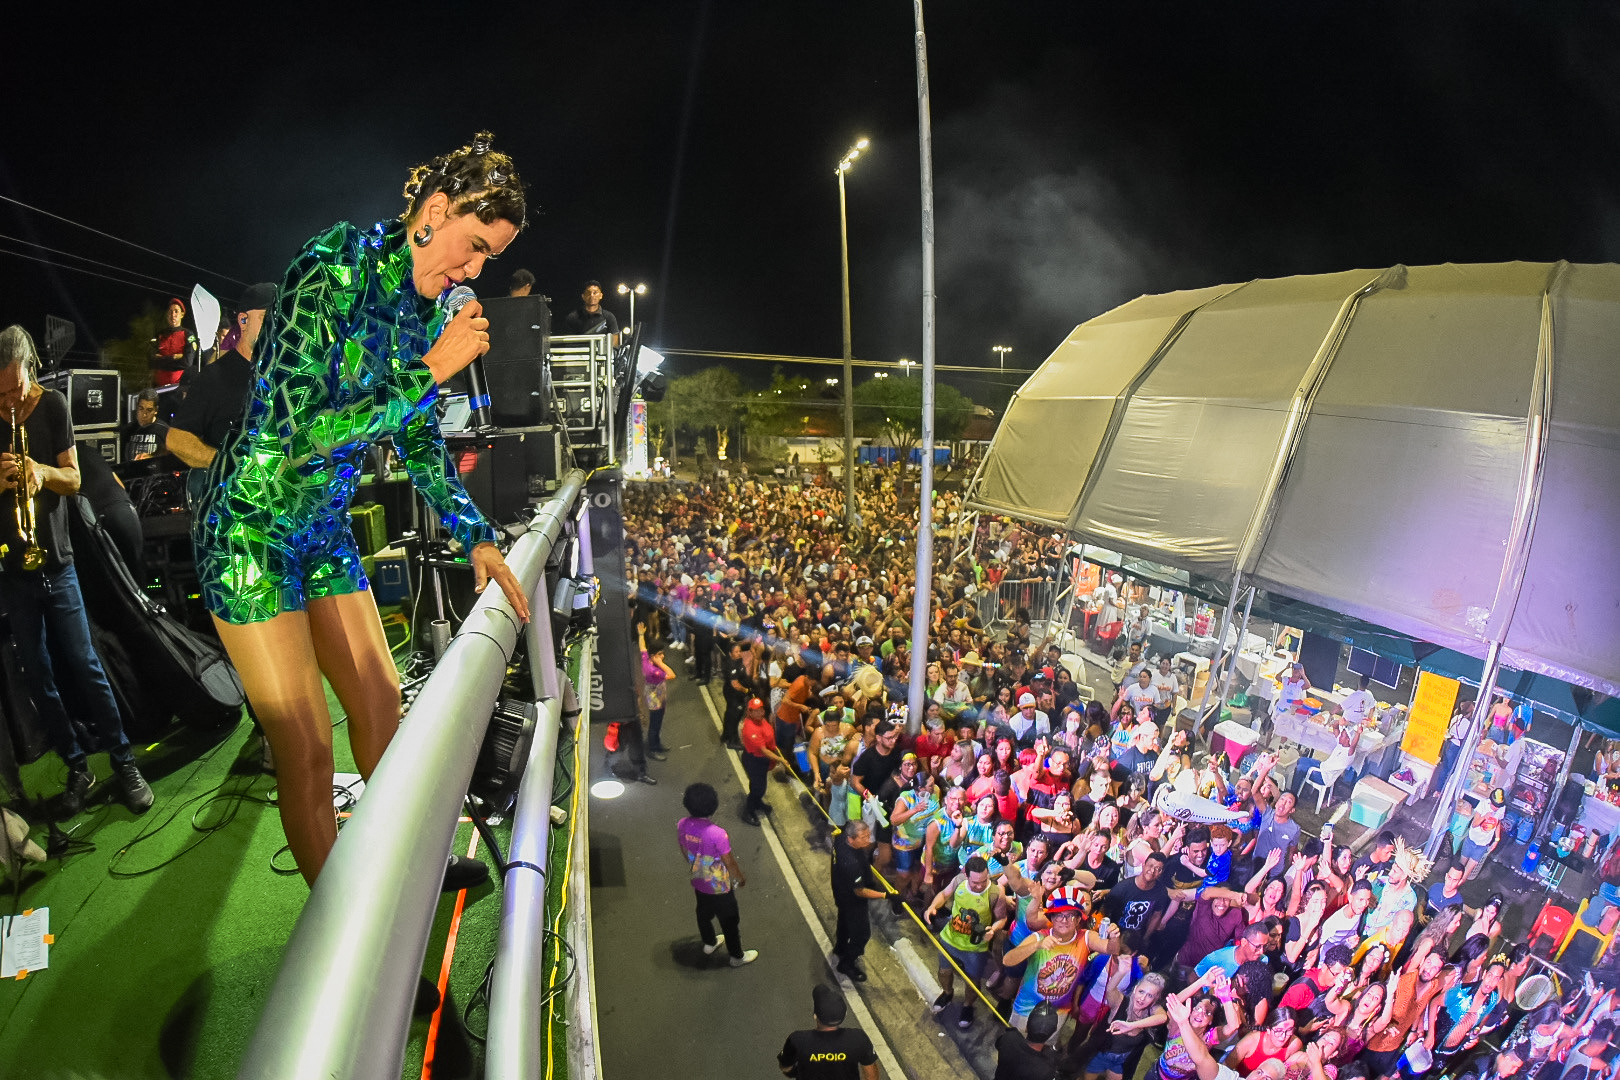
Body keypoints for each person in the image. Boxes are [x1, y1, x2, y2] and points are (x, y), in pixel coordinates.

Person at [192, 132, 529, 890]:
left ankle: (407, 874)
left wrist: (476, 535)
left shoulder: (418, 308)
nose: (472, 272)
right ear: (433, 212)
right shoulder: (329, 268)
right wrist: (434, 368)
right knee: (307, 741)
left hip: (321, 528)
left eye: (487, 262)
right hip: (252, 526)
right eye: (472, 247)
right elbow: (304, 433)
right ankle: (340, 935)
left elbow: (414, 436)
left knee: (382, 706)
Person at [0, 327, 153, 816]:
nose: (8, 398)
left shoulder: (52, 408)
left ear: (29, 368)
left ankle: (124, 761)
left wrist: (40, 472)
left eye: (14, 386)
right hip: (13, 566)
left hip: (57, 561)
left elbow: (74, 478)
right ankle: (76, 765)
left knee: (86, 665)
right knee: (39, 676)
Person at [168, 281, 276, 502]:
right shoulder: (215, 376)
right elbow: (176, 439)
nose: (275, 326)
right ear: (243, 321)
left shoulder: (282, 375)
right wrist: (226, 464)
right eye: (266, 318)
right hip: (230, 508)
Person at [676, 782, 757, 967]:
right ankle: (737, 956)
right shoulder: (717, 834)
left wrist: (693, 864)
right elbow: (729, 862)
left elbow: (682, 846)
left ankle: (709, 943)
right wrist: (740, 877)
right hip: (719, 886)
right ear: (713, 806)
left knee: (703, 912)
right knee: (729, 921)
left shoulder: (682, 824)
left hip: (698, 879)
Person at [926, 854, 1010, 1030]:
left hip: (975, 948)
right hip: (950, 938)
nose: (979, 886)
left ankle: (967, 1006)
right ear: (966, 874)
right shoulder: (958, 881)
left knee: (972, 981)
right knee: (944, 971)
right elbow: (943, 894)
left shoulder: (996, 892)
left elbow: (1001, 918)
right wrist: (933, 907)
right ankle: (948, 994)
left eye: (983, 881)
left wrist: (993, 930)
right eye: (975, 883)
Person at [778, 984, 879, 1080]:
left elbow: (786, 1068)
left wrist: (798, 1073)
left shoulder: (797, 1040)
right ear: (844, 1015)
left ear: (815, 1016)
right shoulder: (858, 1038)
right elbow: (871, 1076)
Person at [831, 821, 888, 982]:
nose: (868, 840)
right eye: (863, 837)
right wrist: (885, 896)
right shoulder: (851, 863)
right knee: (861, 934)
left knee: (843, 922)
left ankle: (840, 947)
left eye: (868, 835)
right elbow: (860, 891)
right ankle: (846, 963)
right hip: (852, 900)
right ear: (851, 839)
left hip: (840, 890)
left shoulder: (841, 838)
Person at [995, 1002, 1062, 1080]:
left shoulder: (1009, 1037)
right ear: (1051, 1034)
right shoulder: (1046, 1069)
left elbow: (998, 1044)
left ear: (1026, 1027)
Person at [741, 698, 781, 826]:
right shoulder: (750, 729)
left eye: (761, 710)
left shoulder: (761, 720)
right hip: (754, 760)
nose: (760, 713)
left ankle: (757, 802)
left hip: (762, 759)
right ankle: (748, 811)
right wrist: (780, 759)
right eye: (756, 711)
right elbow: (763, 750)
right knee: (758, 788)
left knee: (759, 785)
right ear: (750, 712)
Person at [639, 623, 675, 759]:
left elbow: (642, 647)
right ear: (653, 655)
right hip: (655, 698)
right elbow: (672, 675)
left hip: (659, 694)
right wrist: (661, 664)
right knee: (655, 723)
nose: (663, 656)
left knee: (658, 722)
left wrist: (641, 634)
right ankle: (652, 749)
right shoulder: (652, 669)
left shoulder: (646, 658)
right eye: (660, 654)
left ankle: (657, 743)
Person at [148, 296, 198, 387]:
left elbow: (187, 363)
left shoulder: (189, 335)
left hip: (179, 388)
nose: (173, 315)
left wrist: (161, 359)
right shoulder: (159, 335)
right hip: (159, 389)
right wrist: (174, 357)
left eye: (176, 311)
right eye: (170, 312)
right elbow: (151, 361)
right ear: (167, 315)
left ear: (182, 314)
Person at [561, 279, 621, 346]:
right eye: (588, 293)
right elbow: (568, 342)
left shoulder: (609, 317)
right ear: (583, 296)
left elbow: (615, 342)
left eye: (595, 292)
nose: (592, 295)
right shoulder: (573, 317)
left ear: (601, 295)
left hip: (602, 355)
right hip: (579, 355)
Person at [122, 389, 170, 462]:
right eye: (141, 409)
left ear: (156, 410)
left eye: (149, 410)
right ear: (137, 407)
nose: (144, 415)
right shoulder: (128, 430)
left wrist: (152, 457)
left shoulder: (164, 431)